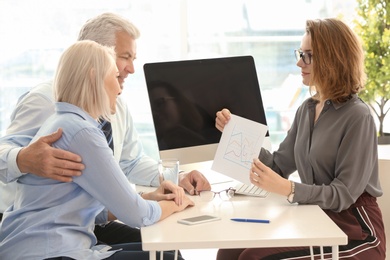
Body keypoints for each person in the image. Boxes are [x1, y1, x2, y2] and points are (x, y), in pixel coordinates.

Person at [0, 12, 211, 244]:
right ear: (95, 54)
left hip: (87, 218)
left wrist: (176, 177)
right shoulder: (44, 101)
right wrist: (22, 159)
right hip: (39, 228)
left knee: (162, 247)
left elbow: (130, 161)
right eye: (124, 57)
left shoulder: (115, 104)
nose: (131, 69)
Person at [215, 18, 386, 259]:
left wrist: (288, 189)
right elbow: (277, 166)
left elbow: (342, 195)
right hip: (316, 217)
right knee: (229, 252)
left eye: (308, 55)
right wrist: (235, 131)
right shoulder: (306, 110)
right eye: (300, 53)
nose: (298, 62)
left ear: (332, 59)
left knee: (252, 257)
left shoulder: (359, 117)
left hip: (356, 230)